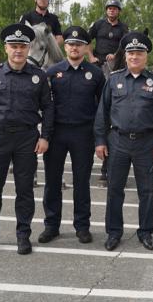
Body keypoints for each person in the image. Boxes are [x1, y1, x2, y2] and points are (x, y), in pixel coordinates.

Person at [0, 23, 54, 255]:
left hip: (27, 138)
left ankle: (23, 235)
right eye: (13, 46)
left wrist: (45, 137)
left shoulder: (38, 76)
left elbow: (48, 109)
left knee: (25, 190)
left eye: (22, 46)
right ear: (6, 48)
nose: (18, 50)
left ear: (28, 49)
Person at [94, 32, 153, 251]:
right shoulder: (114, 80)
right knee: (115, 190)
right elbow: (102, 113)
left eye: (139, 53)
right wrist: (100, 141)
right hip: (117, 142)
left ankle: (146, 232)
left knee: (146, 192)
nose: (135, 57)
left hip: (146, 144)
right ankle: (114, 233)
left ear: (146, 56)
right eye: (131, 53)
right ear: (125, 56)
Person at [39, 26, 105, 245]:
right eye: (70, 44)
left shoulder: (95, 74)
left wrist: (100, 138)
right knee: (52, 181)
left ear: (86, 48)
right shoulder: (52, 72)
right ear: (64, 46)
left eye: (78, 44)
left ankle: (82, 226)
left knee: (81, 182)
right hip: (56, 134)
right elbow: (45, 106)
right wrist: (44, 135)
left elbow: (102, 109)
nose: (74, 47)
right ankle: (51, 225)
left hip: (83, 134)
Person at [88, 0, 129, 187]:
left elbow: (126, 45)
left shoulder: (123, 27)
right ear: (106, 10)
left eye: (115, 9)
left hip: (116, 64)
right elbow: (87, 41)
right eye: (110, 8)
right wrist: (91, 56)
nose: (112, 11)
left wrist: (116, 55)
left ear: (118, 11)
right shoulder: (97, 24)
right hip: (97, 62)